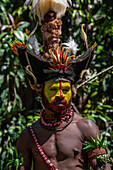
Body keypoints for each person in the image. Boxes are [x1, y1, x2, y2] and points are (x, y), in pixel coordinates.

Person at [10, 1, 111, 169]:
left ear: (72, 91)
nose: (60, 95)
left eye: (65, 90)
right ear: (41, 91)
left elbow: (103, 167)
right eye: (54, 89)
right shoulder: (28, 136)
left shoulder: (86, 128)